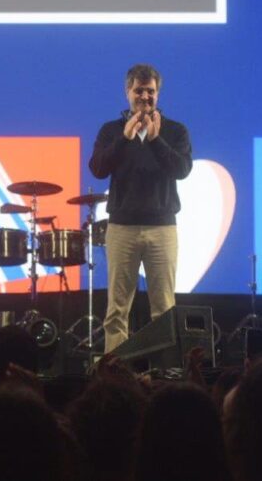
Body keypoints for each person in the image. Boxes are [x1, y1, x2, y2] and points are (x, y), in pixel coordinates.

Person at [89, 64, 192, 353]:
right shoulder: (112, 130)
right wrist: (124, 138)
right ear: (127, 92)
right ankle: (114, 369)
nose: (145, 97)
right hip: (122, 227)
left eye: (150, 91)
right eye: (139, 91)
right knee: (116, 310)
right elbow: (97, 168)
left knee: (164, 308)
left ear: (158, 93)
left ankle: (166, 370)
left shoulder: (175, 130)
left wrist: (156, 140)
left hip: (162, 228)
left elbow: (182, 169)